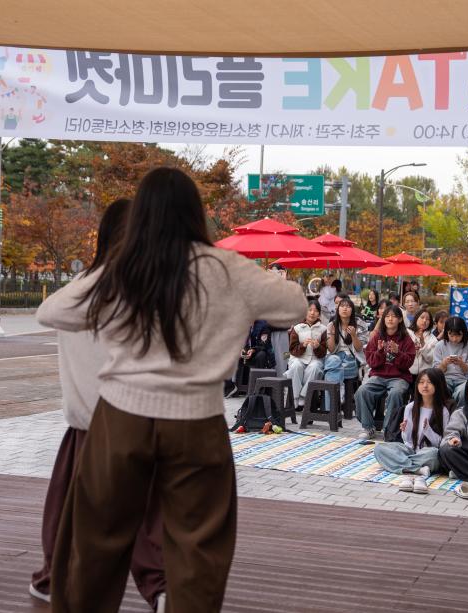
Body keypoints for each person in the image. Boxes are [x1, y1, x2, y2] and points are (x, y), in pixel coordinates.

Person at [35, 167, 306, 612]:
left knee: (97, 536)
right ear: (194, 213)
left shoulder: (123, 267)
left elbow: (53, 311)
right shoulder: (226, 268)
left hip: (120, 417)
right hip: (197, 420)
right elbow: (294, 304)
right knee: (198, 544)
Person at [28, 199, 166, 610]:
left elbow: (47, 312)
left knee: (70, 512)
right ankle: (160, 587)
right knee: (146, 512)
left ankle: (56, 577)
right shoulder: (139, 292)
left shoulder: (79, 290)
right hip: (132, 420)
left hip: (84, 424)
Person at [374, 368, 454, 494]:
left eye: (429, 382)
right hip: (411, 450)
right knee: (379, 449)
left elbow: (441, 443)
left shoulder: (443, 410)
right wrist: (405, 431)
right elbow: (407, 441)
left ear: (438, 385)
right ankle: (418, 470)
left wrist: (428, 430)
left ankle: (402, 465)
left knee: (434, 455)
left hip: (428, 452)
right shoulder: (411, 407)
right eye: (421, 382)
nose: (425, 386)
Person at [354, 305, 416, 440]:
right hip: (378, 376)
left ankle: (389, 429)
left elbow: (408, 364)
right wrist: (380, 352)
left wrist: (397, 352)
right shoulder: (377, 336)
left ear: (400, 319)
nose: (390, 319)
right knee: (362, 391)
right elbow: (371, 362)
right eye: (387, 316)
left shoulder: (406, 339)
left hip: (399, 377)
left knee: (396, 393)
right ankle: (368, 427)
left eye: (394, 316)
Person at [285, 300, 328, 409]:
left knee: (314, 368)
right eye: (310, 310)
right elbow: (292, 349)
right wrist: (302, 346)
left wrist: (318, 347)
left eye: (315, 311)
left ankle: (303, 397)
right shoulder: (297, 328)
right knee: (296, 366)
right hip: (298, 358)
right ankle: (294, 397)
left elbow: (324, 352)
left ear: (319, 313)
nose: (312, 313)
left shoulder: (323, 329)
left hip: (314, 359)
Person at [323, 296, 364, 411]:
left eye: (348, 306)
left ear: (352, 310)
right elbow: (331, 350)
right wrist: (331, 334)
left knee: (330, 372)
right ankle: (339, 390)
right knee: (334, 360)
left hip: (351, 360)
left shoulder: (360, 324)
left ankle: (330, 409)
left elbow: (359, 348)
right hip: (335, 357)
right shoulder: (331, 325)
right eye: (342, 306)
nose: (345, 309)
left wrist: (354, 335)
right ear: (338, 309)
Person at [431, 316, 468, 405]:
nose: (454, 339)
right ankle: (443, 415)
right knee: (440, 390)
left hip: (464, 380)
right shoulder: (440, 346)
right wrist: (444, 364)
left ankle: (460, 415)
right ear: (446, 333)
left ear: (464, 333)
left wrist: (462, 364)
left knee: (463, 392)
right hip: (444, 379)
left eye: (458, 335)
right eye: (451, 335)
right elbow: (435, 371)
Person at [408, 308, 439, 378]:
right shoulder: (407, 333)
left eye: (428, 319)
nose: (424, 321)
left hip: (425, 375)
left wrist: (422, 342)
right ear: (416, 318)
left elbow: (431, 359)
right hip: (407, 373)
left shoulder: (433, 339)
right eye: (422, 317)